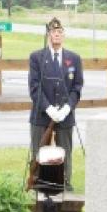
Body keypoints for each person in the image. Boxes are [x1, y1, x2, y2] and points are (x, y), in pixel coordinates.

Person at [28, 17, 83, 192]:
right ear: (48, 34)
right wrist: (49, 108)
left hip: (65, 115)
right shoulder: (37, 57)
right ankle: (38, 183)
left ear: (63, 35)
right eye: (53, 32)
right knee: (39, 151)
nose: (57, 35)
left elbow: (77, 87)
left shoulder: (74, 58)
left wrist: (67, 108)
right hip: (42, 114)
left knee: (65, 150)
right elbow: (34, 87)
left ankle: (65, 183)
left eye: (60, 32)